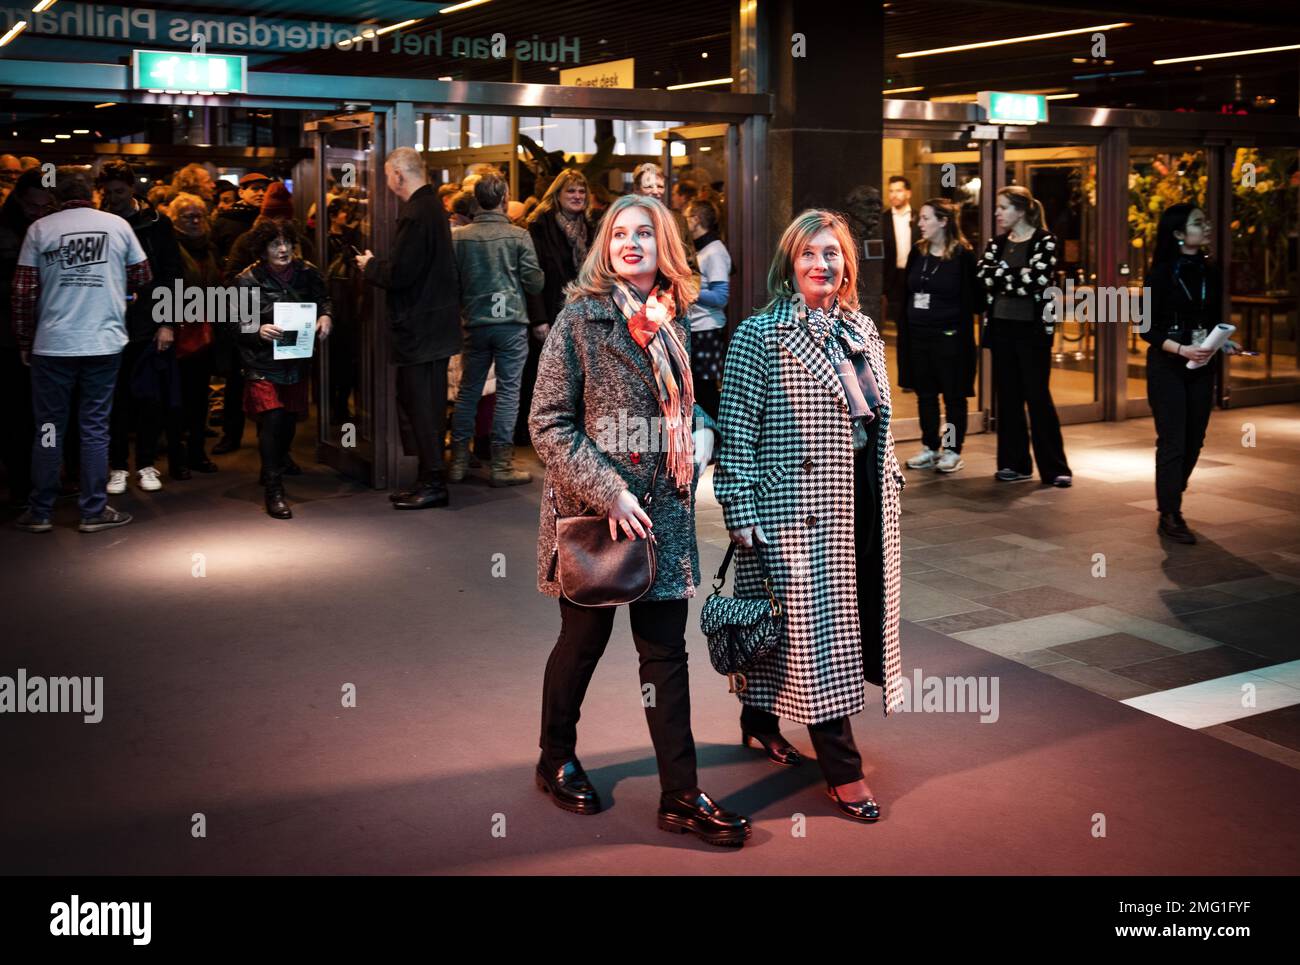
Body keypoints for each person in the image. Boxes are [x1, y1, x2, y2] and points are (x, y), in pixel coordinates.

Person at [528, 193, 748, 846]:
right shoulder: (581, 319)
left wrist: (704, 433)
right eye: (619, 232)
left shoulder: (669, 317)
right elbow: (547, 422)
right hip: (598, 519)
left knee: (665, 656)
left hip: (665, 519)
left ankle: (680, 794)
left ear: (664, 247)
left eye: (644, 233)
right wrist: (609, 492)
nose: (631, 242)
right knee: (583, 643)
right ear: (604, 245)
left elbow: (679, 411)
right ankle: (553, 756)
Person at [713, 208, 906, 823]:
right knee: (822, 637)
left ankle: (757, 720)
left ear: (847, 262)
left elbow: (879, 418)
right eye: (809, 254)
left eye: (833, 254)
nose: (822, 265)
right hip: (794, 511)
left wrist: (892, 478)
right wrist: (739, 507)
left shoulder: (862, 329)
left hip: (862, 502)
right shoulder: (760, 334)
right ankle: (843, 771)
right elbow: (737, 431)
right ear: (787, 264)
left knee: (802, 629)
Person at [13, 167, 152, 534]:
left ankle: (40, 510)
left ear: (56, 196)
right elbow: (142, 275)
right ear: (93, 193)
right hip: (102, 341)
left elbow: (24, 292)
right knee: (94, 427)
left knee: (48, 427)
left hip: (52, 343)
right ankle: (93, 510)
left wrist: (25, 340)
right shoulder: (117, 226)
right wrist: (115, 288)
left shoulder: (40, 229)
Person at [356, 147, 461, 509]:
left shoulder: (416, 213)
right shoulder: (432, 208)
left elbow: (402, 274)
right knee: (423, 404)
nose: (386, 184)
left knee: (420, 405)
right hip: (434, 327)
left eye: (387, 176)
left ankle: (433, 482)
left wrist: (370, 266)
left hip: (422, 330)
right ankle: (428, 478)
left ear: (399, 174)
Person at [1142, 203, 1237, 544]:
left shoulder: (1210, 271)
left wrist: (1223, 341)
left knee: (1194, 439)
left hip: (1201, 365)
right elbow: (1146, 329)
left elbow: (1210, 318)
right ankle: (1170, 512)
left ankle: (1172, 494)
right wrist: (1181, 349)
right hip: (1168, 365)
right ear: (1179, 233)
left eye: (1206, 220)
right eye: (1199, 222)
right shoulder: (1160, 273)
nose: (1207, 226)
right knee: (1173, 441)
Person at [448, 172, 544, 486]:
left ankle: (459, 462)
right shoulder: (518, 236)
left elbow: (453, 281)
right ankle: (501, 466)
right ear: (504, 199)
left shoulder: (460, 237)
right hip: (510, 324)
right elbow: (534, 282)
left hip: (474, 322)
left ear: (476, 199)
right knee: (507, 393)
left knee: (468, 391)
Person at [234, 219, 332, 519]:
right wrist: (257, 330)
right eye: (275, 244)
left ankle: (276, 461)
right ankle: (273, 487)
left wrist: (326, 317)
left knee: (289, 419)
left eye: (287, 242)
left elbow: (324, 300)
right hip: (261, 361)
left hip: (297, 356)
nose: (283, 249)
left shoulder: (308, 272)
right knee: (273, 418)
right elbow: (234, 322)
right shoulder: (247, 279)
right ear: (262, 249)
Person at [98, 160, 185, 493]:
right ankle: (118, 466)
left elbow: (173, 273)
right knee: (115, 399)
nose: (114, 198)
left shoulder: (156, 223)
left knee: (149, 398)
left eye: (119, 191)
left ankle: (146, 464)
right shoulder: (102, 221)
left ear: (132, 189)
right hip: (111, 322)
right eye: (108, 193)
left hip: (148, 320)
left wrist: (168, 322)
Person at [976, 185, 1072, 487]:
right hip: (1002, 328)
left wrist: (1004, 276)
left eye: (1003, 207)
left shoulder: (1045, 240)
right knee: (1008, 397)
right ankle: (1013, 464)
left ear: (1020, 210)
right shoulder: (998, 242)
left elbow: (1038, 281)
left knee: (1038, 396)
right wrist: (1015, 277)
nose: (997, 213)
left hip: (1032, 332)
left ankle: (1055, 468)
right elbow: (983, 275)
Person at [899, 198, 979, 474]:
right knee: (926, 394)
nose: (919, 223)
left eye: (925, 218)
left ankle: (953, 451)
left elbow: (975, 299)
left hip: (951, 336)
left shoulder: (963, 256)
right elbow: (907, 292)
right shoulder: (918, 253)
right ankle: (930, 447)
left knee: (954, 396)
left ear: (944, 221)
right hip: (919, 335)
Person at [521, 170, 593, 447]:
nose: (577, 197)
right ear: (557, 194)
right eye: (571, 191)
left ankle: (576, 433)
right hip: (551, 310)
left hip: (584, 311)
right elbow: (533, 276)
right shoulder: (540, 225)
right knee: (550, 377)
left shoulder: (590, 226)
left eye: (581, 192)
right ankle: (545, 436)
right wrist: (538, 318)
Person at [0, 169, 54, 509]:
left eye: (45, 207)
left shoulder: (42, 227)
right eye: (33, 206)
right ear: (20, 199)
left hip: (38, 333)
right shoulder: (7, 231)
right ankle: (23, 485)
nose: (39, 213)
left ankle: (36, 482)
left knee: (38, 414)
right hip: (9, 336)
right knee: (17, 414)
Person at [168, 192, 222, 474]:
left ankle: (197, 453)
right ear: (174, 219)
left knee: (199, 398)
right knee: (176, 401)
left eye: (199, 215)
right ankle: (177, 457)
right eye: (188, 216)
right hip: (175, 333)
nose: (195, 221)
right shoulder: (168, 247)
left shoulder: (209, 248)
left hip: (204, 332)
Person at [683, 197, 730, 419]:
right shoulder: (703, 249)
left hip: (708, 329)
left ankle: (712, 443)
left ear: (697, 219)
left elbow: (721, 296)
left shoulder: (714, 251)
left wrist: (689, 294)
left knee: (706, 391)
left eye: (687, 218)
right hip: (698, 328)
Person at [881, 175, 919, 327]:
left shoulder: (919, 217)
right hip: (893, 277)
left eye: (898, 190)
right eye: (891, 191)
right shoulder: (882, 219)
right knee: (898, 319)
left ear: (908, 193)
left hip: (915, 273)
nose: (894, 195)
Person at [212, 171, 271, 260]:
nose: (261, 193)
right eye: (255, 189)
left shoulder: (269, 218)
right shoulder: (225, 220)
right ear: (241, 193)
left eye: (265, 190)